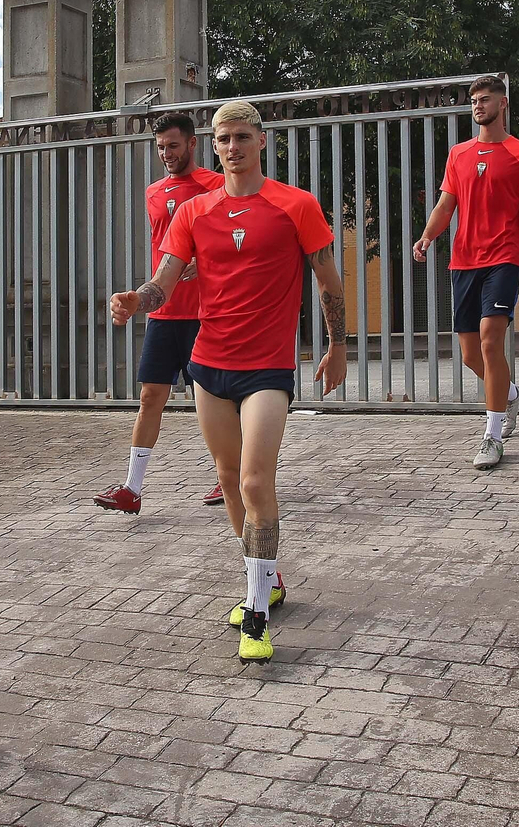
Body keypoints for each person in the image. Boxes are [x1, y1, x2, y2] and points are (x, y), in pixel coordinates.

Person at [111, 100, 347, 664]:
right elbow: (166, 281)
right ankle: (265, 578)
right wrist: (137, 300)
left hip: (267, 366)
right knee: (228, 478)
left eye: (242, 136)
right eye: (224, 138)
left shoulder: (295, 205)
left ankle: (257, 612)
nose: (233, 146)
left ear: (261, 141)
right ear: (213, 146)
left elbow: (328, 279)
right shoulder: (195, 211)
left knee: (255, 480)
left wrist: (338, 346)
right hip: (209, 364)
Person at [94, 113, 226, 514]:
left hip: (204, 313)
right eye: (160, 147)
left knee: (214, 400)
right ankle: (132, 489)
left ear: (192, 144)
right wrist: (140, 297)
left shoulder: (216, 186)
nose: (167, 154)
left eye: (173, 145)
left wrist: (203, 263)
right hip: (163, 313)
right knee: (150, 396)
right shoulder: (153, 191)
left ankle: (229, 476)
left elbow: (232, 243)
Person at [413, 74, 519, 470]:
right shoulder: (459, 154)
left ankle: (492, 435)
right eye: (473, 101)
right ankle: (511, 394)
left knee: (489, 340)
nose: (477, 106)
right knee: (470, 354)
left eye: (484, 99)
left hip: (503, 257)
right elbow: (445, 204)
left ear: (502, 103)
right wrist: (427, 236)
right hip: (464, 260)